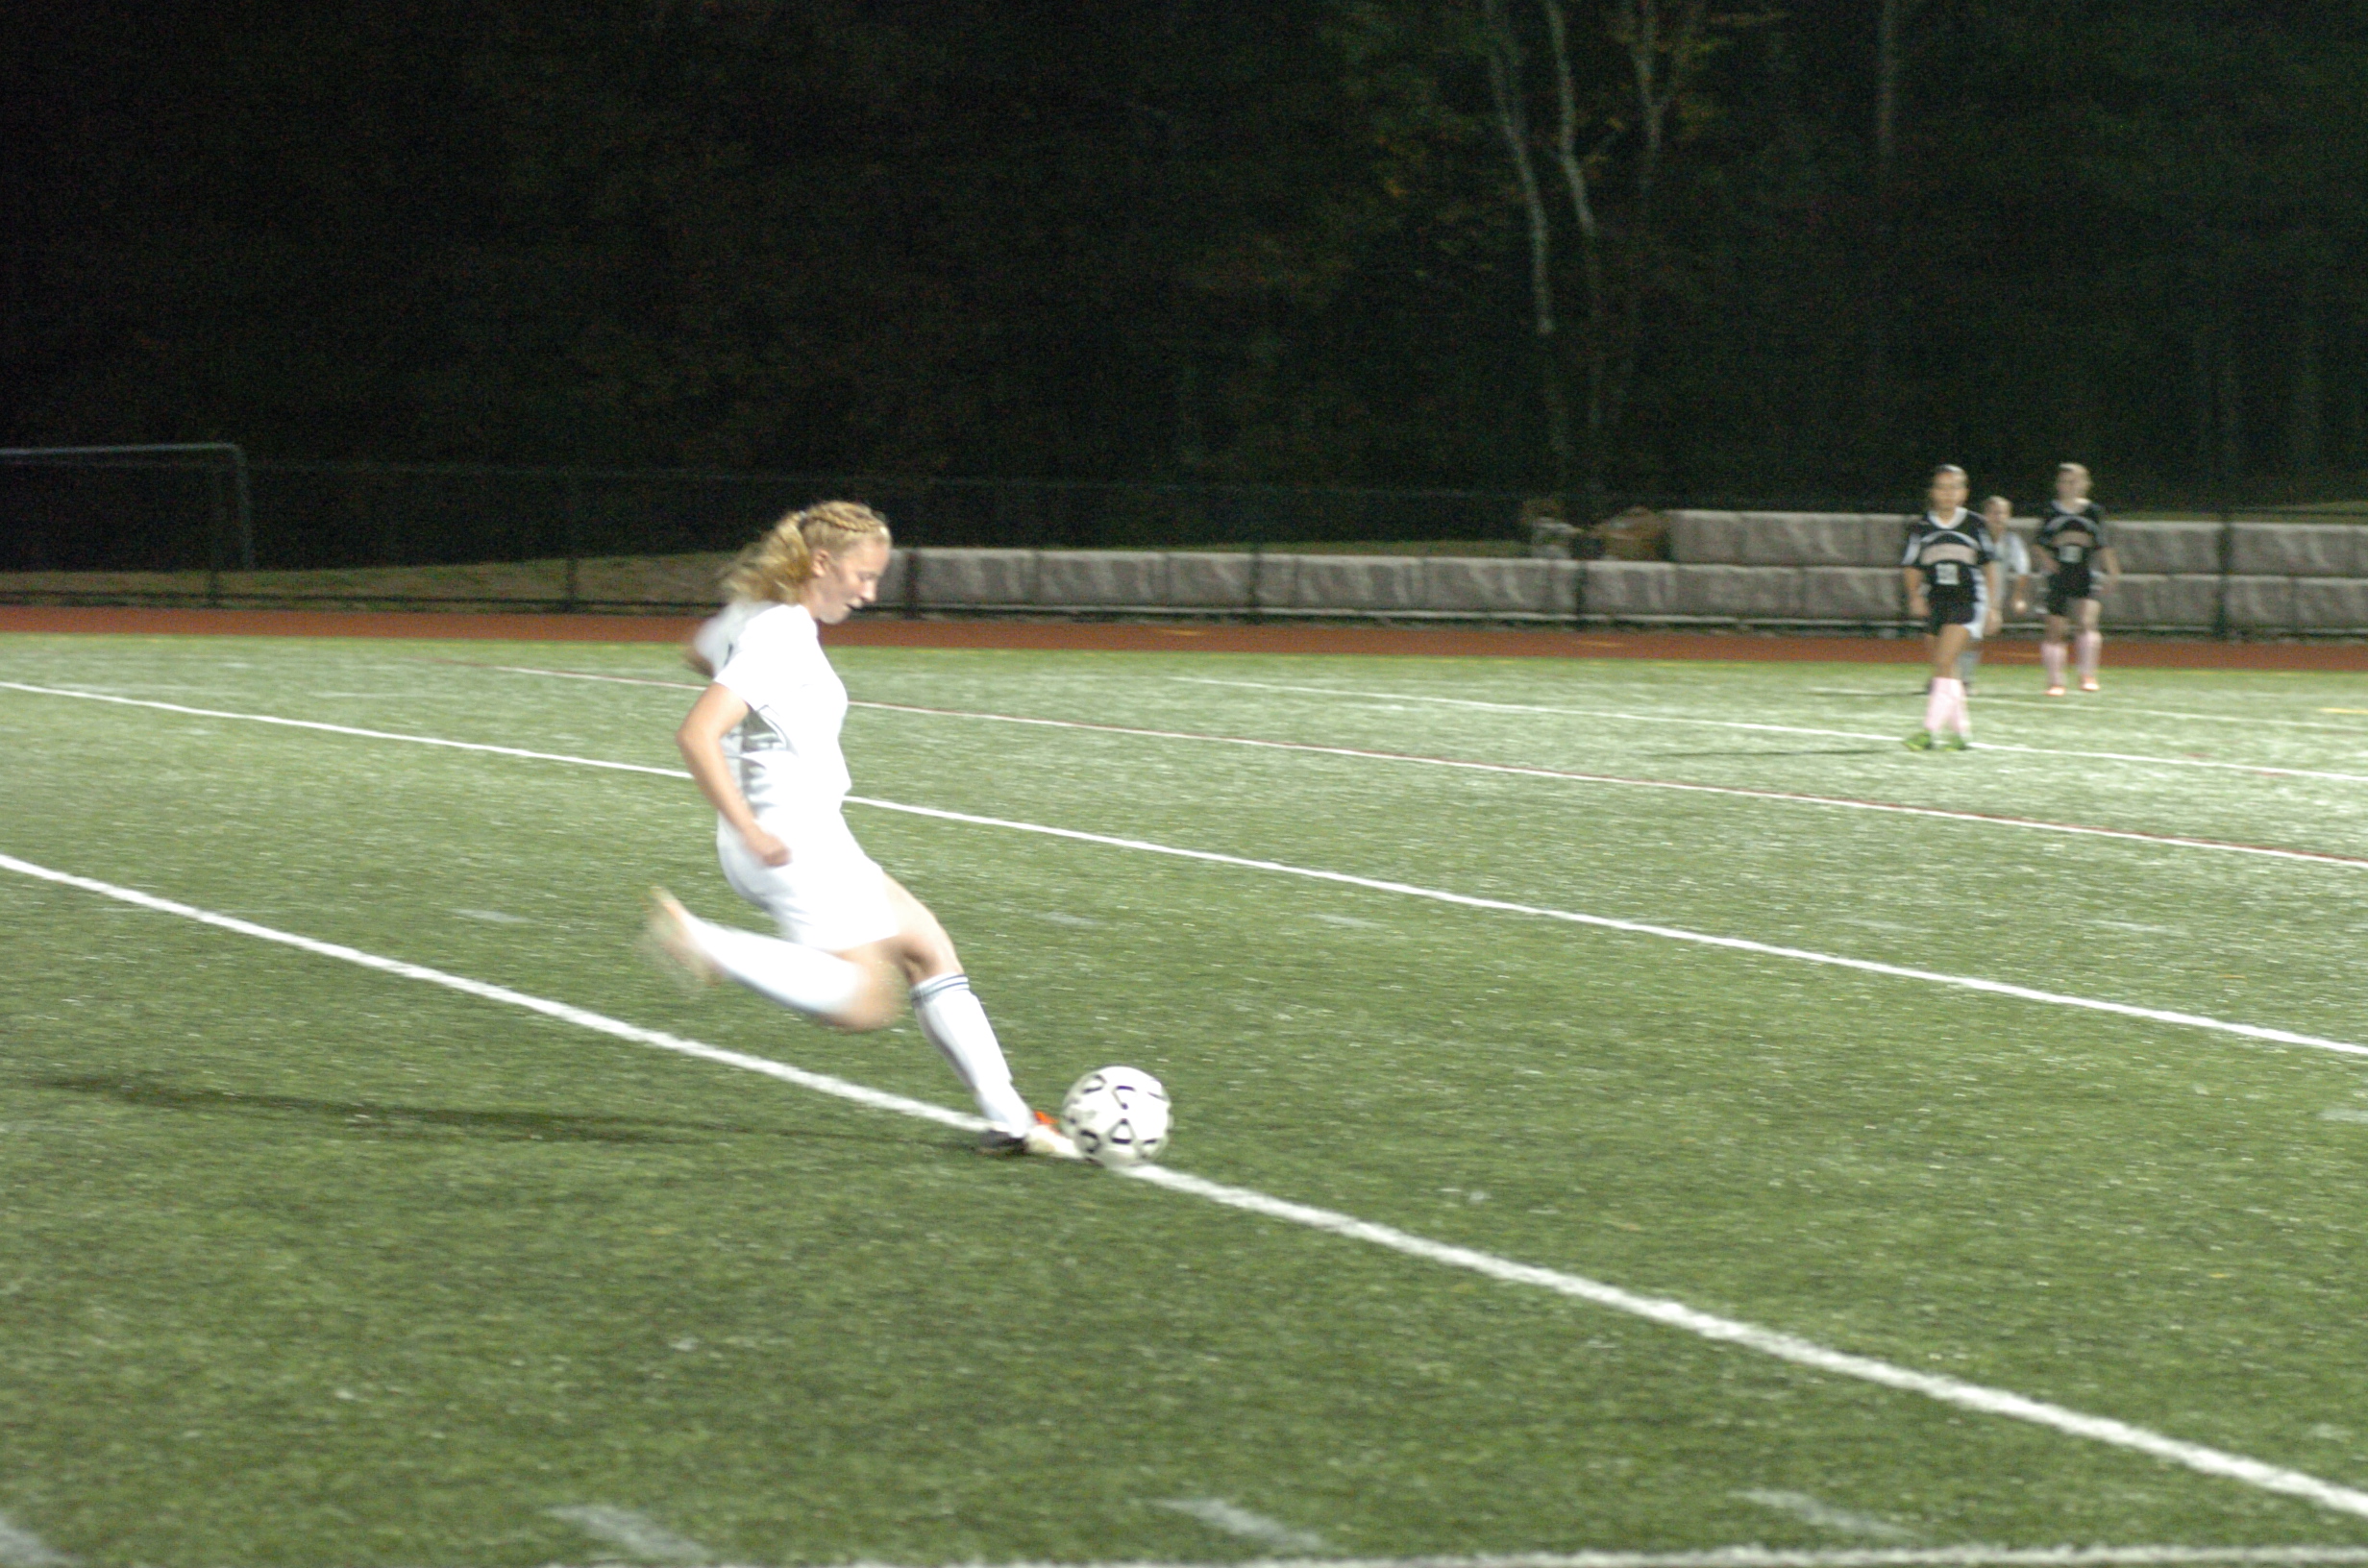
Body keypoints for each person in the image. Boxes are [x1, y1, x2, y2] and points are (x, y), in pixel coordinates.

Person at [642, 501, 1077, 1159]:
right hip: (789, 837)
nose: (870, 594)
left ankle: (1010, 1118)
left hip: (805, 831)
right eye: (863, 576)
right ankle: (713, 946)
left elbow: (697, 651)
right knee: (868, 1002)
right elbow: (698, 733)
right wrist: (751, 825)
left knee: (925, 945)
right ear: (821, 562)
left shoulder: (755, 615)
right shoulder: (782, 636)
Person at [1902, 465, 1998, 751]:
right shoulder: (1921, 527)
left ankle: (1928, 732)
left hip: (1968, 601)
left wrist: (1993, 607)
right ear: (1932, 492)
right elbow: (1912, 566)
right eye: (1941, 487)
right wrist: (1914, 596)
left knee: (1944, 662)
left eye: (1954, 487)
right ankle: (1961, 734)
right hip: (1937, 602)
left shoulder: (1975, 524)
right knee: (1946, 667)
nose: (1947, 493)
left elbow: (1989, 567)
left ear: (1963, 493)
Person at [2034, 462, 2120, 695]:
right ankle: (2056, 681)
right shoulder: (2050, 511)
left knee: (2086, 621)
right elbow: (2038, 543)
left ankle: (2087, 675)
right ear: (2058, 485)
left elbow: (2103, 545)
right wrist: (2047, 560)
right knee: (2055, 629)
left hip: (2085, 572)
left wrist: (2113, 572)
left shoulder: (2093, 512)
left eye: (2075, 481)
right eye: (2064, 481)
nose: (2070, 486)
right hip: (2058, 574)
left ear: (2085, 484)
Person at [1953, 494, 2031, 690]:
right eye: (1993, 512)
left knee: (1974, 638)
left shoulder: (2011, 541)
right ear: (1985, 515)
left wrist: (2018, 597)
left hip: (1991, 598)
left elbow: (2023, 569)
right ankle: (1955, 679)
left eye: (2002, 513)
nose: (1998, 517)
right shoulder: (1973, 537)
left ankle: (1958, 678)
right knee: (1964, 637)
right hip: (1966, 594)